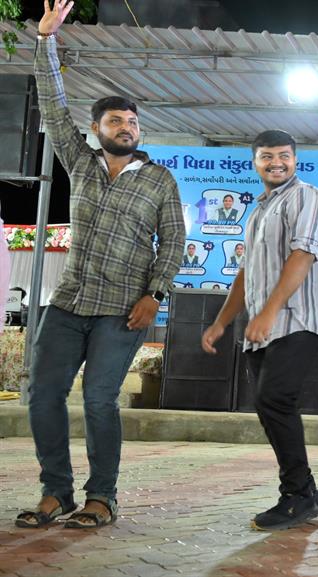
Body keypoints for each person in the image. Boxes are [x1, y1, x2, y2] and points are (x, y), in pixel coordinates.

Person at [16, 0, 185, 530]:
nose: (127, 127)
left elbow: (174, 241)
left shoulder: (158, 180)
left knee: (98, 400)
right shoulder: (81, 162)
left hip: (121, 310)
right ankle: (56, 492)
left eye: (133, 121)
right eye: (116, 120)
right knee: (42, 394)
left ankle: (102, 497)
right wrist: (46, 41)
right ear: (97, 128)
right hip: (69, 304)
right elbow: (52, 106)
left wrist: (155, 294)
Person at [201, 130, 318, 530]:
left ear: (295, 160)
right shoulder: (260, 209)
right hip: (263, 326)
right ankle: (304, 492)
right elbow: (247, 272)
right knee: (269, 405)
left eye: (283, 156)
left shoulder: (306, 197)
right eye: (267, 156)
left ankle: (298, 495)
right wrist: (222, 321)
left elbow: (303, 255)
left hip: (298, 318)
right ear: (255, 162)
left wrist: (269, 312)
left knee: (274, 398)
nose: (276, 162)